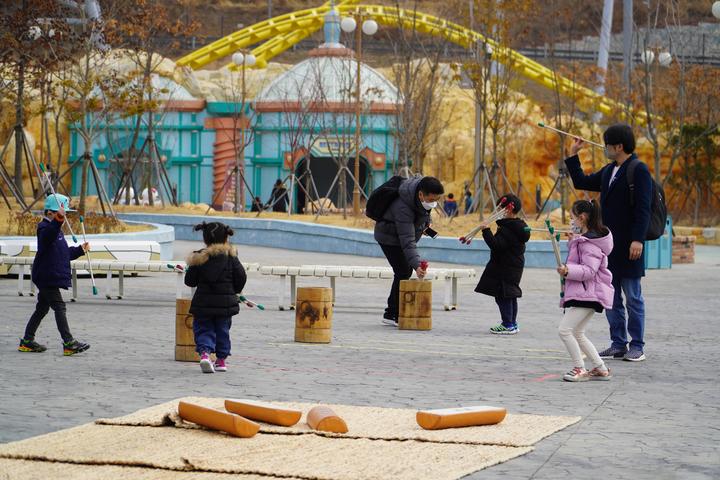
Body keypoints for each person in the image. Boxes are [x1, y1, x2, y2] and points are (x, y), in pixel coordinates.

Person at [565, 123, 652, 362]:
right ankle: (618, 343)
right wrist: (573, 154)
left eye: (607, 145)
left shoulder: (638, 170)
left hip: (630, 245)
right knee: (611, 296)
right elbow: (582, 181)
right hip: (608, 246)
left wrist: (638, 239)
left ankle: (637, 345)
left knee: (633, 297)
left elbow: (644, 209)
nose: (605, 148)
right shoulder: (609, 170)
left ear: (619, 146)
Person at [18, 194, 90, 356]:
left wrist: (80, 250)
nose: (64, 217)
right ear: (50, 213)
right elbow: (49, 234)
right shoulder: (44, 228)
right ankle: (68, 342)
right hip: (46, 275)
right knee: (59, 306)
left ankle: (27, 341)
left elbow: (63, 253)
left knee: (42, 308)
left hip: (49, 274)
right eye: (59, 214)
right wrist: (58, 220)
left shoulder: (57, 232)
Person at [556, 200, 614, 382]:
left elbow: (589, 271)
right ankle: (600, 368)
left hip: (589, 294)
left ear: (582, 217)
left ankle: (579, 368)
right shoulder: (587, 239)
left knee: (564, 330)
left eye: (573, 217)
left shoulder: (590, 243)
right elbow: (580, 258)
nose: (572, 222)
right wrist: (573, 241)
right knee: (578, 332)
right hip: (588, 293)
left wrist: (568, 271)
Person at [374, 176, 444, 326]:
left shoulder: (421, 200)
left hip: (401, 236)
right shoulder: (403, 207)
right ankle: (391, 314)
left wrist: (424, 226)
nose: (433, 203)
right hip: (389, 238)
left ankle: (392, 312)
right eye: (431, 199)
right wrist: (417, 265)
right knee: (403, 271)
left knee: (404, 271)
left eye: (436, 199)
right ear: (420, 194)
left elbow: (423, 216)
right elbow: (407, 241)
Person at [184, 222, 247, 373]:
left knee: (204, 328)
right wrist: (235, 291)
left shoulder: (199, 258)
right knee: (223, 330)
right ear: (226, 238)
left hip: (203, 304)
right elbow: (241, 277)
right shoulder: (231, 258)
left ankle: (205, 354)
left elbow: (189, 281)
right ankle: (221, 360)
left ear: (205, 239)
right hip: (225, 305)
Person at [474, 194, 530, 335]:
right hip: (514, 266)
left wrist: (486, 230)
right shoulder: (517, 226)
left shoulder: (508, 228)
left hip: (505, 266)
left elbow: (496, 245)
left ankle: (507, 324)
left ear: (508, 210)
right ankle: (512, 323)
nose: (497, 211)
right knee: (510, 294)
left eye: (500, 208)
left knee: (503, 295)